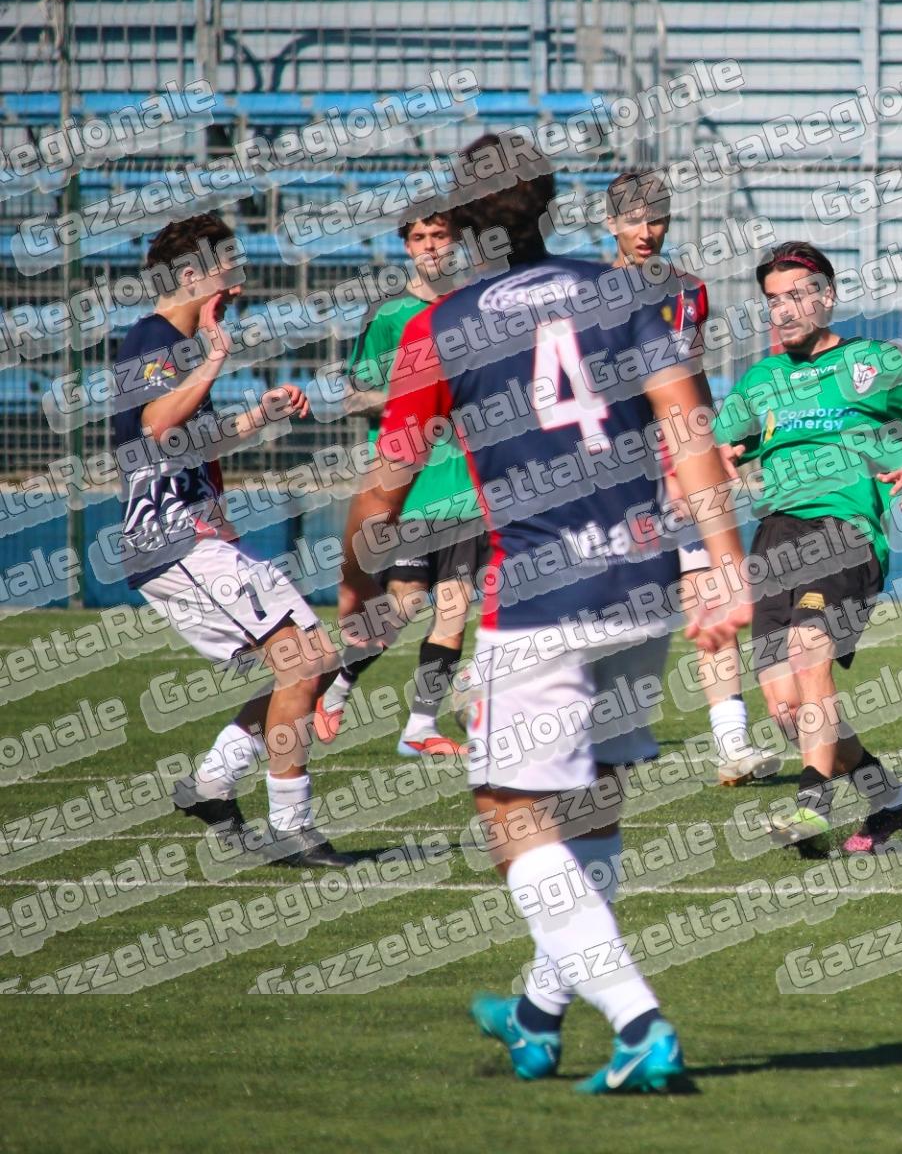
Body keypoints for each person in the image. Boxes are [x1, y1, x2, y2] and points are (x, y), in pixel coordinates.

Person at [338, 133, 750, 1094]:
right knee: (590, 803)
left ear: (460, 223)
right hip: (641, 584)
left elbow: (383, 493)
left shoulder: (438, 327)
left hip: (537, 598)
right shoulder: (628, 294)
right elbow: (691, 428)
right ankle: (537, 1010)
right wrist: (726, 566)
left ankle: (640, 1025)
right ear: (555, 203)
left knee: (510, 815)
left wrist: (355, 585)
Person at [715, 241, 902, 857]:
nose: (784, 309)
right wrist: (722, 460)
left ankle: (812, 804)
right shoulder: (760, 380)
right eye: (773, 300)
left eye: (798, 295)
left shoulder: (875, 362)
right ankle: (890, 798)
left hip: (844, 529)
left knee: (809, 651)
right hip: (774, 536)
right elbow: (722, 449)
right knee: (786, 707)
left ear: (827, 297)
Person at [117, 213, 350, 868]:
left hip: (195, 536)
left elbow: (193, 440)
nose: (238, 286)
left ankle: (214, 783)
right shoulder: (153, 338)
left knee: (311, 659)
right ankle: (291, 827)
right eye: (229, 271)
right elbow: (159, 427)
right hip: (172, 538)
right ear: (192, 275)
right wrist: (216, 359)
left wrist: (258, 415)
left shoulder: (178, 346)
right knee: (302, 662)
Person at [605, 169, 779, 785]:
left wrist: (711, 443)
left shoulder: (689, 293)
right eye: (633, 219)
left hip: (679, 471)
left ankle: (733, 746)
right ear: (610, 223)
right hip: (607, 478)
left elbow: (690, 379)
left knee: (711, 599)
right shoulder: (583, 295)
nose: (646, 231)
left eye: (656, 218)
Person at [318, 213, 479, 756]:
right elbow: (354, 396)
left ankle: (420, 729)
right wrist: (419, 399)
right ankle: (336, 687)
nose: (430, 246)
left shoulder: (473, 308)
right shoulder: (390, 315)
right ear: (407, 247)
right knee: (403, 605)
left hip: (467, 486)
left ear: (457, 241)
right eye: (419, 237)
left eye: (440, 235)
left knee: (454, 608)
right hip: (409, 487)